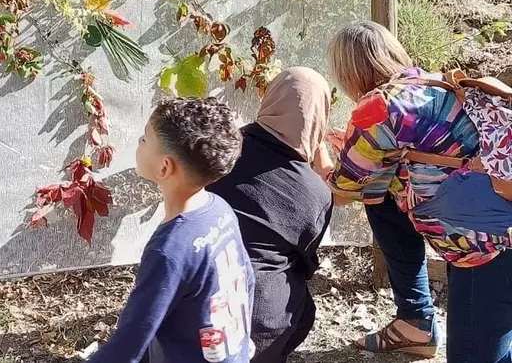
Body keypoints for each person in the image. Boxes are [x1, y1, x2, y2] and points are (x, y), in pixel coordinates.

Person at [327, 20, 512, 362]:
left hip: (490, 248)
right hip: (488, 232)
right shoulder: (435, 85)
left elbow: (341, 193)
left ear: (348, 71)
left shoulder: (377, 109)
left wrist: (320, 158)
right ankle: (415, 322)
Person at [88, 97, 253, 363]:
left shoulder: (169, 251)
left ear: (165, 167)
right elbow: (247, 280)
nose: (138, 143)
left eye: (144, 139)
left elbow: (129, 344)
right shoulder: (221, 210)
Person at [208, 67, 334, 363]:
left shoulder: (221, 150)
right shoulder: (315, 191)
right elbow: (305, 262)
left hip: (189, 303)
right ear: (320, 118)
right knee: (301, 301)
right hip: (257, 324)